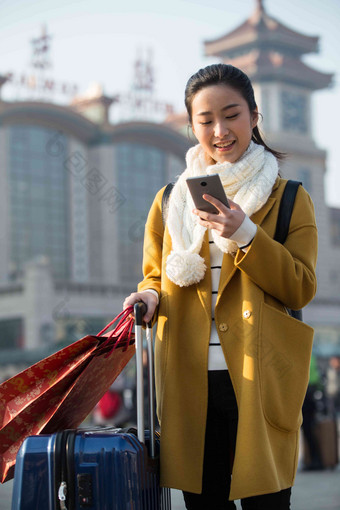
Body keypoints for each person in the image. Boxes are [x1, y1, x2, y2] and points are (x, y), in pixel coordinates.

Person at [123, 64, 318, 509]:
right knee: (203, 503)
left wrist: (246, 234)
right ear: (192, 126)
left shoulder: (288, 197)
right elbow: (155, 274)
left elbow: (300, 286)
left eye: (231, 115)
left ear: (254, 115)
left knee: (267, 501)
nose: (220, 130)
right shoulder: (171, 199)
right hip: (188, 379)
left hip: (261, 377)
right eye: (205, 120)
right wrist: (149, 295)